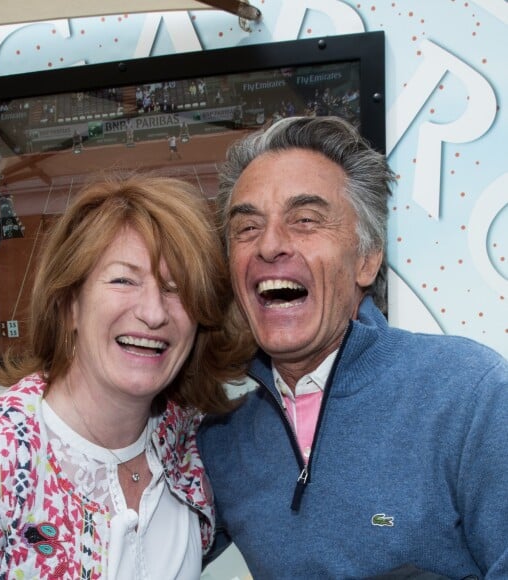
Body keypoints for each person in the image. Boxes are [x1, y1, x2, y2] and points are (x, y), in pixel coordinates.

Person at [198, 116, 508, 579]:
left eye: (305, 220)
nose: (269, 245)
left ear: (367, 258)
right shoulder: (221, 441)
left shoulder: (472, 393)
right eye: (246, 228)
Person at [0, 174, 248, 578]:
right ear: (69, 305)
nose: (153, 312)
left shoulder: (184, 432)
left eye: (175, 288)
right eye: (124, 280)